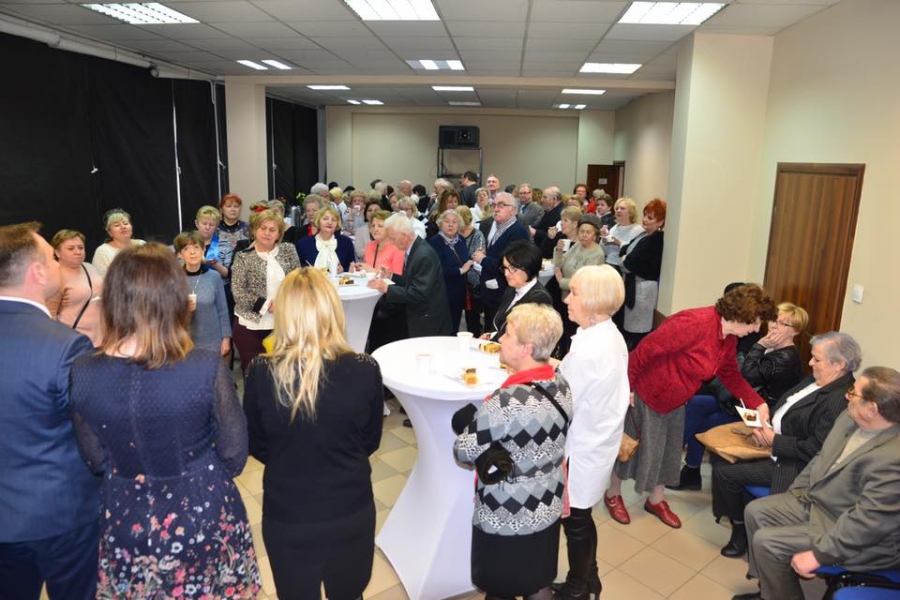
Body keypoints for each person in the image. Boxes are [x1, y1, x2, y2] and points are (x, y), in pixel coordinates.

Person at [69, 243, 260, 599]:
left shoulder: (82, 370)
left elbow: (95, 459)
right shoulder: (205, 366)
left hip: (127, 512)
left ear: (113, 300)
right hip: (204, 510)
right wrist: (195, 472)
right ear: (174, 298)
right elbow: (234, 453)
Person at [244, 268, 383, 600]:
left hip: (288, 512)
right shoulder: (365, 368)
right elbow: (369, 440)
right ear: (332, 310)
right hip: (350, 508)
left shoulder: (261, 372)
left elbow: (258, 444)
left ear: (285, 314)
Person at [605, 284, 777, 529]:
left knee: (668, 452)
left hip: (676, 400)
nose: (756, 329)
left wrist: (756, 402)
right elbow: (644, 351)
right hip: (647, 392)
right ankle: (613, 494)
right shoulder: (694, 323)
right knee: (630, 447)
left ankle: (656, 500)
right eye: (756, 322)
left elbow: (729, 373)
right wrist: (629, 387)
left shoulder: (728, 337)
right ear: (742, 315)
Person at [734, 367, 900, 600]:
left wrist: (818, 555)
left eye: (853, 393)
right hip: (818, 502)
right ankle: (769, 589)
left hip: (859, 535)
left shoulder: (893, 459)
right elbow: (820, 458)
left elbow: (867, 524)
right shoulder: (849, 418)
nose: (847, 396)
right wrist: (796, 492)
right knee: (755, 511)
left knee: (767, 543)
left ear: (872, 409)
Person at [0, 222, 99, 600]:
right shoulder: (67, 346)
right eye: (51, 259)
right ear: (37, 272)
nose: (60, 265)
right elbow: (94, 438)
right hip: (63, 517)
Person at [453, 303, 573, 600]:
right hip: (546, 503)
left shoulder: (507, 401)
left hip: (507, 512)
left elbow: (463, 451)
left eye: (507, 334)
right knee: (538, 580)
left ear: (526, 348)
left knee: (500, 584)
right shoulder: (561, 384)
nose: (500, 340)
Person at [712, 331, 860, 560]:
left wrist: (775, 441)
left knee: (725, 472)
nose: (810, 363)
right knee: (719, 458)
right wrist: (764, 422)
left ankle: (740, 530)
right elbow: (786, 407)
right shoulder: (815, 380)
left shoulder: (839, 399)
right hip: (773, 444)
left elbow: (816, 449)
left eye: (816, 359)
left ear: (839, 364)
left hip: (793, 464)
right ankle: (741, 518)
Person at [552, 265, 630, 600]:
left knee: (576, 520)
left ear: (595, 302)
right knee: (581, 517)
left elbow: (563, 400)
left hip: (583, 444)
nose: (567, 299)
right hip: (596, 439)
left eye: (575, 293)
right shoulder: (606, 333)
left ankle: (577, 590)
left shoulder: (591, 348)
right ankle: (590, 580)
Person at [675, 301, 808, 491]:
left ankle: (688, 470)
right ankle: (676, 461)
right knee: (697, 404)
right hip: (743, 402)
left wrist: (759, 345)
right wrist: (761, 347)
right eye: (773, 320)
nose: (774, 326)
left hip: (759, 414)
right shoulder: (772, 347)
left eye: (782, 323)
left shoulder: (786, 357)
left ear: (795, 331)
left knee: (707, 422)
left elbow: (746, 375)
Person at [231, 209, 301, 372]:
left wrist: (282, 302)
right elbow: (238, 291)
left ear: (279, 234)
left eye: (272, 229)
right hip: (249, 325)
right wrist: (267, 305)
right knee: (254, 373)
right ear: (255, 230)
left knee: (283, 372)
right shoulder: (242, 256)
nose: (267, 233)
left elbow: (297, 282)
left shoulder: (289, 250)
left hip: (283, 323)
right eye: (263, 228)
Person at [368, 213, 453, 337]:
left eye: (393, 238)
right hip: (422, 317)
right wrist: (391, 276)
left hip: (429, 323)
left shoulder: (423, 255)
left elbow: (419, 293)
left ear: (404, 236)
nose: (391, 242)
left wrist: (387, 288)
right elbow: (413, 280)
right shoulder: (415, 249)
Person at [472, 192, 530, 330]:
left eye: (501, 205)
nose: (496, 209)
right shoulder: (500, 227)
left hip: (503, 295)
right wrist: (487, 254)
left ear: (513, 210)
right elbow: (500, 255)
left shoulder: (518, 232)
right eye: (494, 205)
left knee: (498, 332)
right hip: (492, 292)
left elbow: (513, 266)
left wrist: (483, 259)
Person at [553, 214, 605, 357]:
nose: (584, 235)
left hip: (582, 301)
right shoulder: (577, 245)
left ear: (595, 235)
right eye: (581, 231)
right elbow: (559, 264)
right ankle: (562, 356)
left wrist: (561, 281)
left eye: (588, 232)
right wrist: (558, 251)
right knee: (564, 330)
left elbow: (585, 281)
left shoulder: (597, 254)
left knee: (574, 334)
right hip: (566, 296)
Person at [482, 240, 552, 342]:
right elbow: (500, 323)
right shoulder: (512, 288)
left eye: (512, 268)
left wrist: (492, 339)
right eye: (505, 268)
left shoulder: (539, 299)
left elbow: (523, 337)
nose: (506, 274)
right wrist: (490, 335)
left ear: (529, 267)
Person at [175, 231, 232, 356]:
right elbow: (167, 313)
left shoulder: (214, 277)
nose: (192, 252)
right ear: (180, 254)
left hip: (212, 341)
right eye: (186, 249)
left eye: (196, 247)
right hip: (183, 342)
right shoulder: (174, 279)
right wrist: (182, 308)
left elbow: (223, 310)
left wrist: (226, 338)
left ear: (203, 250)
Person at [620, 198, 666, 349]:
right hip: (633, 286)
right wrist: (625, 257)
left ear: (660, 222)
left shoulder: (655, 240)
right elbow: (624, 250)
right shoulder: (643, 235)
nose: (645, 219)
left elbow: (628, 264)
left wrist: (625, 258)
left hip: (642, 291)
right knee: (629, 330)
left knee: (638, 332)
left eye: (650, 218)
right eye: (645, 215)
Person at [47, 229, 104, 346]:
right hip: (74, 343)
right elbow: (49, 316)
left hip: (102, 339)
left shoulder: (90, 267)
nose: (78, 252)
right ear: (57, 253)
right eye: (71, 248)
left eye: (81, 247)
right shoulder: (54, 276)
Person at [428, 209, 473, 333]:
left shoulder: (461, 240)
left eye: (454, 222)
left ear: (459, 225)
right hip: (442, 293)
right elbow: (435, 270)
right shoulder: (434, 242)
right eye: (446, 221)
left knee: (454, 327)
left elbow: (463, 260)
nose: (450, 224)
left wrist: (471, 260)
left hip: (458, 293)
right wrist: (460, 271)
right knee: (442, 329)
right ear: (440, 224)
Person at [296, 206, 354, 273]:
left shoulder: (346, 242)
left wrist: (343, 269)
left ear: (337, 224)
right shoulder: (303, 244)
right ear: (318, 221)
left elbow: (352, 267)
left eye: (333, 220)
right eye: (325, 219)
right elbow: (298, 271)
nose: (330, 222)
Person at [458, 206, 487, 336]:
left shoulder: (477, 234)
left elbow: (478, 255)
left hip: (473, 281)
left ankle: (474, 336)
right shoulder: (453, 234)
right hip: (457, 279)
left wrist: (463, 262)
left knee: (472, 316)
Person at [91, 208, 146, 275]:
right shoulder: (102, 252)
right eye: (117, 225)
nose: (123, 227)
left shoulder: (142, 244)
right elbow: (101, 279)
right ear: (109, 232)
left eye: (125, 223)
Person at [602, 197, 643, 273]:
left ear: (631, 212)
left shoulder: (637, 229)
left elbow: (633, 251)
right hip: (609, 264)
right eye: (617, 208)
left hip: (624, 267)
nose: (618, 211)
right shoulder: (614, 228)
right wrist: (604, 237)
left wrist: (618, 242)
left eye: (622, 208)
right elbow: (605, 251)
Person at [194, 205, 230, 279]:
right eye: (204, 224)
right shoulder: (187, 243)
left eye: (211, 225)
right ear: (196, 223)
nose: (207, 227)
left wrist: (214, 264)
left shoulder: (225, 245)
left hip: (216, 284)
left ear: (216, 226)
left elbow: (227, 274)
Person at [531, 186, 565, 257]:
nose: (541, 200)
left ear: (555, 199)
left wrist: (535, 232)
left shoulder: (560, 215)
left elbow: (554, 236)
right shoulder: (550, 211)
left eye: (545, 197)